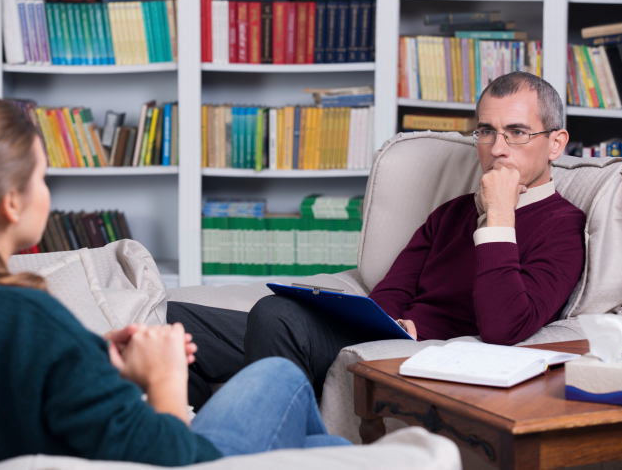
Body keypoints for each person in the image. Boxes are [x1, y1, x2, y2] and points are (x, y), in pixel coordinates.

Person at [0, 95, 349, 466]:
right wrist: (164, 375)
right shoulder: (22, 313)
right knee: (279, 375)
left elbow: (16, 383)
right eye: (42, 178)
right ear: (11, 202)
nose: (47, 193)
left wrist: (88, 357)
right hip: (186, 457)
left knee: (330, 453)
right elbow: (171, 458)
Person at [169, 71, 587, 411]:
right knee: (173, 322)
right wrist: (386, 324)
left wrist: (498, 215)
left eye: (517, 132)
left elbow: (504, 326)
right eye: (486, 132)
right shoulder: (452, 212)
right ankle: (195, 446)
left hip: (431, 353)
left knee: (275, 314)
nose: (497, 149)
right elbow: (393, 290)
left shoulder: (564, 226)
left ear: (555, 143)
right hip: (385, 337)